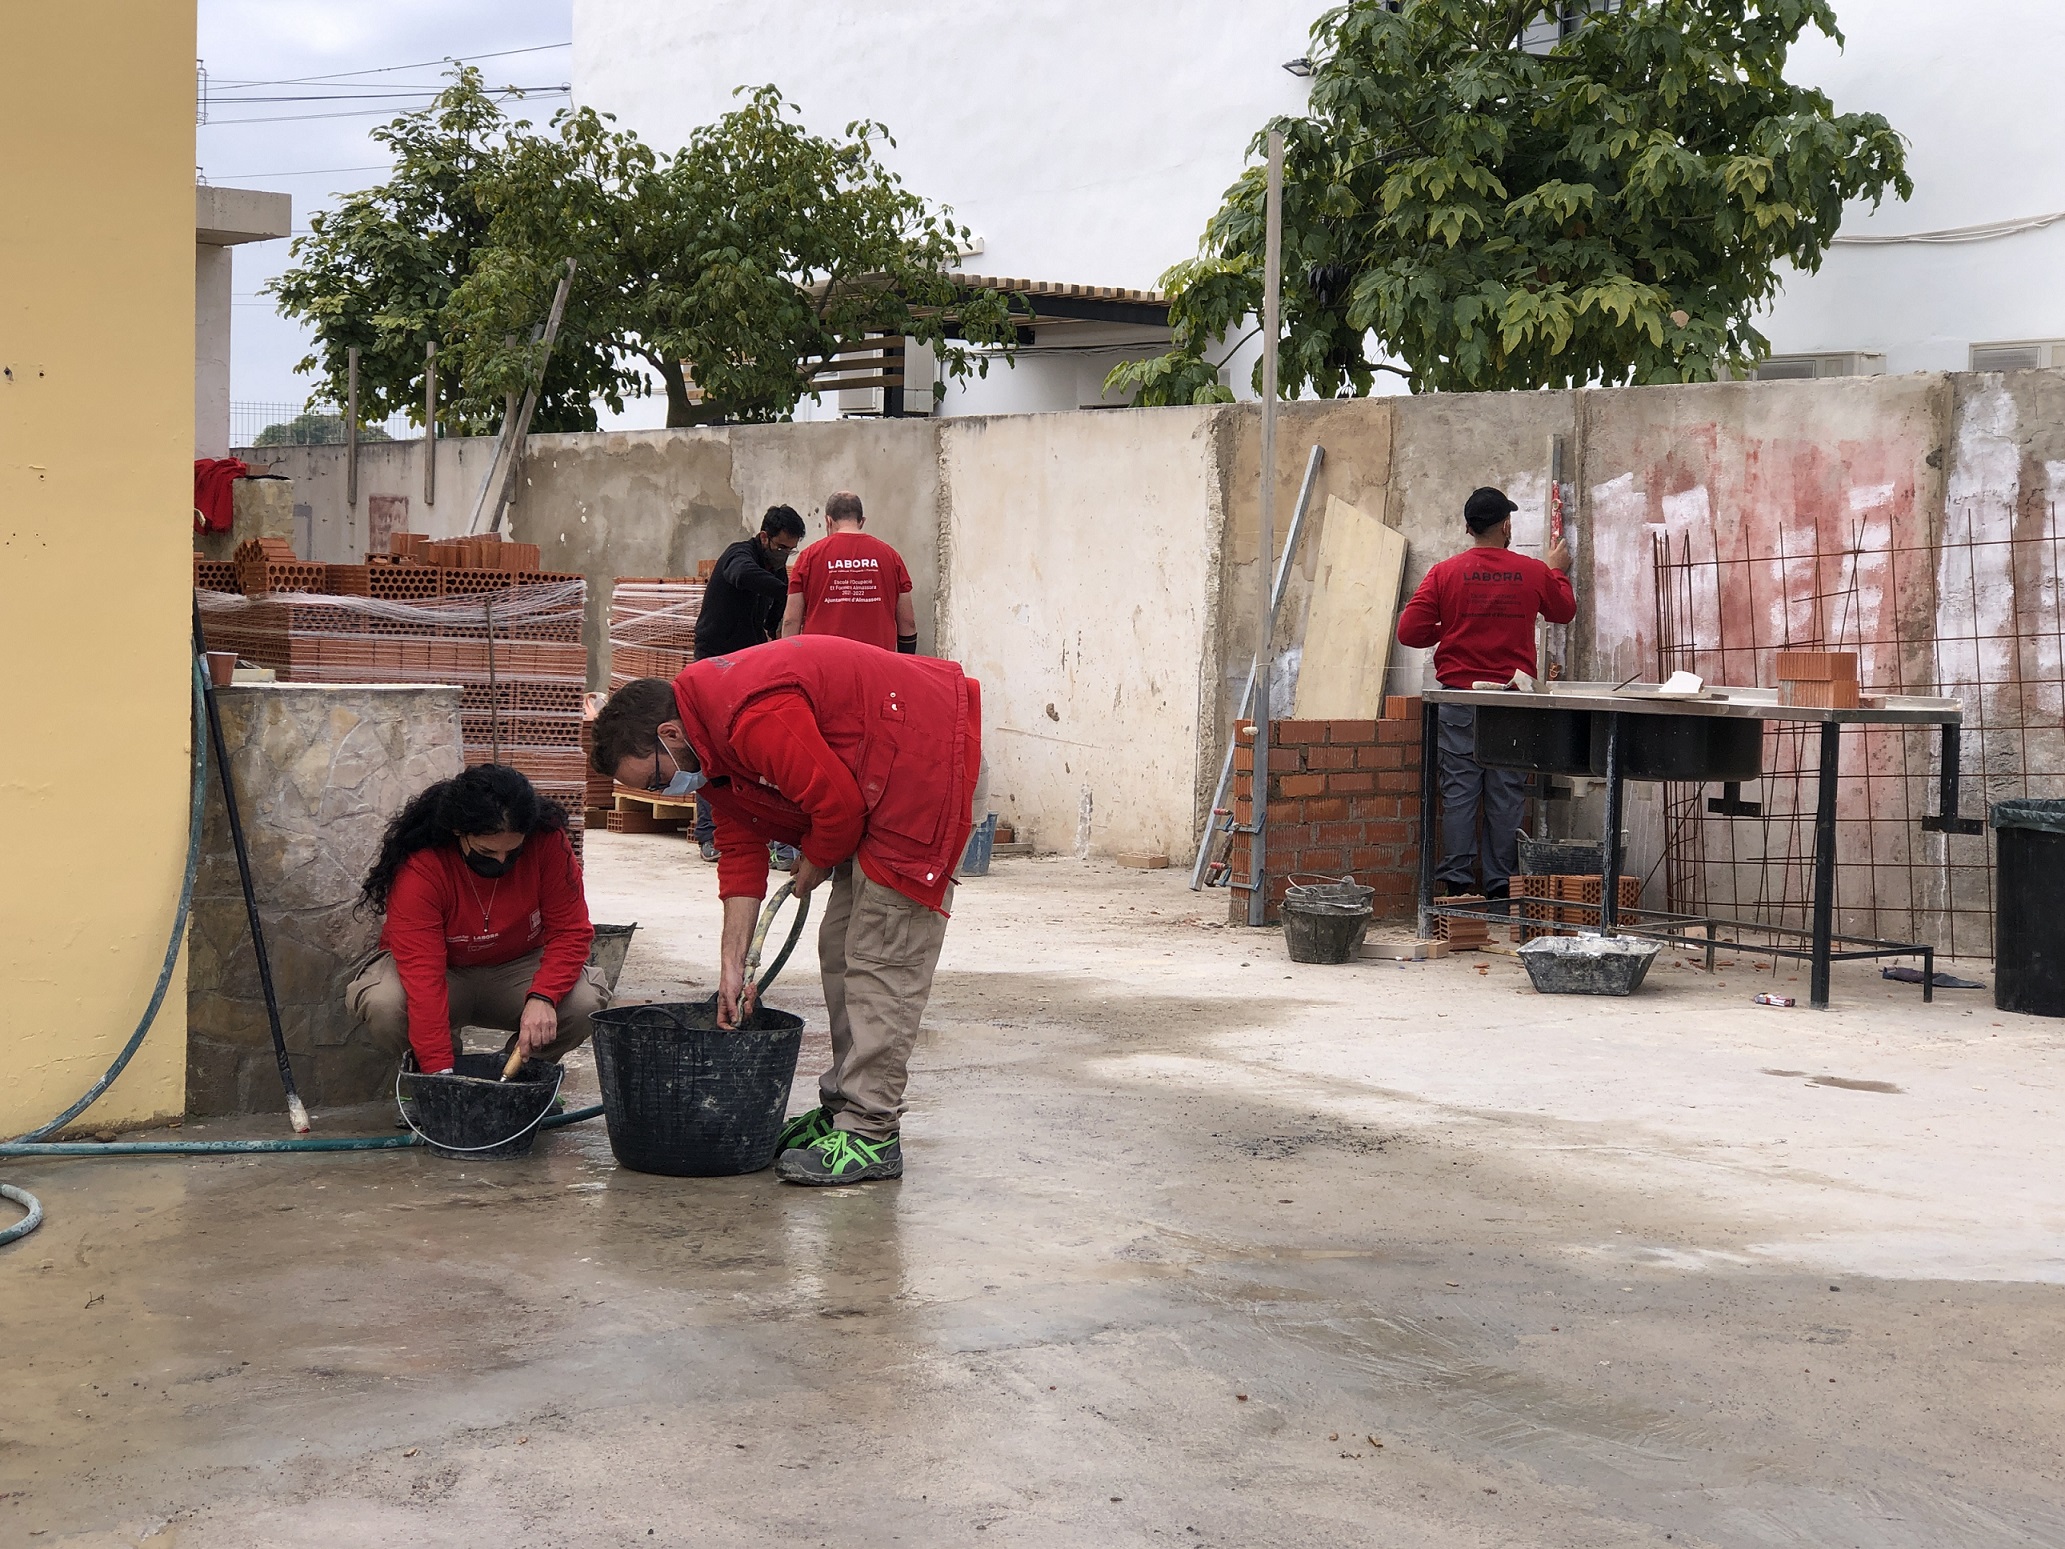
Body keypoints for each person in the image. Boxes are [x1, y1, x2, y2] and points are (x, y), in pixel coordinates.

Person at [590, 634, 983, 1187]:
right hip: (874, 770)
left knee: (882, 953)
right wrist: (733, 969)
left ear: (669, 734)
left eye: (657, 778)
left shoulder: (748, 715)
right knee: (840, 947)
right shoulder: (706, 749)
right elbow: (740, 851)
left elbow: (838, 808)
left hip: (919, 758)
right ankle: (844, 1106)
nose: (669, 789)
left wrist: (816, 860)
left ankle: (871, 1131)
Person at [347, 763, 608, 1076]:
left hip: (517, 967)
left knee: (582, 1003)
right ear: (459, 833)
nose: (501, 861)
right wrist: (440, 1076)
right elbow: (422, 974)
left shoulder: (547, 841)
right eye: (486, 852)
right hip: (443, 970)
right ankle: (427, 1079)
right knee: (386, 1005)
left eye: (512, 851)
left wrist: (544, 997)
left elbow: (570, 931)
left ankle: (517, 1079)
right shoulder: (422, 866)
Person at [1395, 486, 1576, 905]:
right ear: (1506, 525)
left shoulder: (1445, 572)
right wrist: (1557, 570)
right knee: (1506, 792)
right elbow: (1563, 612)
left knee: (1460, 791)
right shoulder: (1532, 572)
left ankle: (1456, 885)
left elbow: (1410, 632)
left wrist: (1451, 630)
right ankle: (1500, 887)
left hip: (1458, 699)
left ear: (1468, 527)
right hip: (1512, 702)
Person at [691, 504, 807, 863]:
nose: (784, 556)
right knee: (711, 746)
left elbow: (775, 623)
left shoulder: (778, 573)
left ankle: (759, 827)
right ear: (764, 538)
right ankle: (710, 834)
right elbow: (745, 576)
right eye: (781, 548)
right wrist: (793, 592)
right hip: (714, 662)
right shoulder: (738, 556)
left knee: (750, 745)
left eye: (791, 550)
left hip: (746, 664)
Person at [781, 490, 917, 653]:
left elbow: (791, 620)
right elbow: (907, 623)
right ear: (862, 521)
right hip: (877, 662)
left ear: (828, 521)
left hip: (823, 661)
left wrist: (790, 662)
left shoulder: (808, 557)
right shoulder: (890, 556)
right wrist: (905, 665)